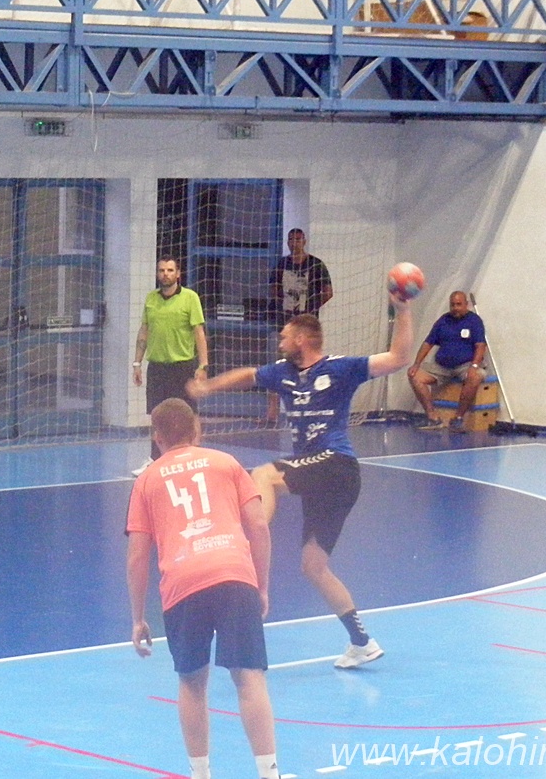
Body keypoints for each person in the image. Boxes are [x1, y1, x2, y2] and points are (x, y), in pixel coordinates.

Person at [187, 287, 414, 669]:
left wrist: (403, 310)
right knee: (313, 566)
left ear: (303, 339)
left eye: (285, 336)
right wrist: (208, 387)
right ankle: (362, 641)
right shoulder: (283, 373)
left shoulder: (339, 369)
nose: (279, 342)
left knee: (265, 474)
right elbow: (248, 376)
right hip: (320, 475)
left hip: (337, 464)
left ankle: (247, 541)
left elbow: (398, 358)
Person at [126, 398, 280, 779]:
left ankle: (200, 773)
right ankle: (269, 772)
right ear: (197, 429)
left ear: (157, 438)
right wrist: (260, 586)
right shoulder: (226, 463)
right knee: (249, 676)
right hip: (234, 574)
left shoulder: (146, 480)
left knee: (192, 683)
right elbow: (259, 526)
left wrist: (137, 618)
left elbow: (137, 556)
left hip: (183, 584)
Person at [132, 257, 209, 460]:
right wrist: (137, 363)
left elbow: (199, 333)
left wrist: (203, 365)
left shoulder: (190, 297)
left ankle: (194, 456)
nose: (165, 274)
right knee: (157, 414)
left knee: (190, 412)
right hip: (157, 367)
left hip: (183, 366)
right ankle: (155, 459)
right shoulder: (151, 299)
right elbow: (144, 331)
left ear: (178, 273)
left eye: (170, 270)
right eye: (162, 270)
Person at [265, 228, 332, 423]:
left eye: (298, 239)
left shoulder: (316, 264)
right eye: (291, 239)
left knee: (309, 366)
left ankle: (312, 408)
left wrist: (310, 309)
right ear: (287, 242)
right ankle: (272, 412)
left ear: (304, 241)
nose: (294, 243)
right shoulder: (281, 264)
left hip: (306, 326)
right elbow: (274, 290)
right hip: (284, 323)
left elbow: (328, 292)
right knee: (277, 365)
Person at [408, 290, 487, 433]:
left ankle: (458, 418)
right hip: (442, 367)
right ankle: (433, 417)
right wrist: (417, 363)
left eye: (459, 304)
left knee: (475, 376)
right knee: (414, 375)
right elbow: (428, 343)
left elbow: (480, 346)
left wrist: (474, 365)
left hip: (465, 366)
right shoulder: (443, 321)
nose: (455, 308)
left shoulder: (474, 321)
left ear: (466, 304)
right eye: (453, 305)